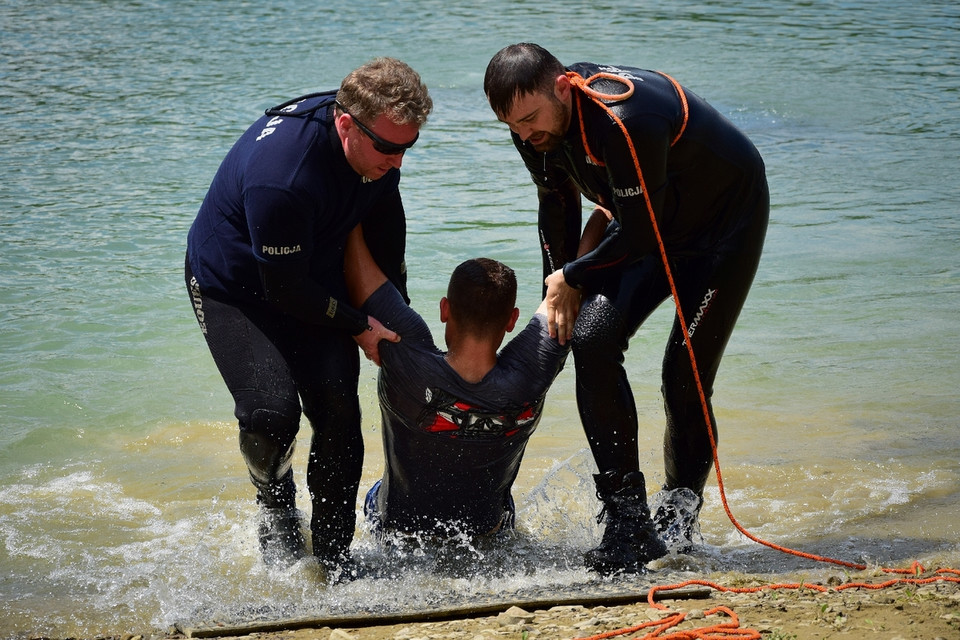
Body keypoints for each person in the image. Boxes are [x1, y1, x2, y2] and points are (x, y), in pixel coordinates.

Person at [484, 43, 769, 574]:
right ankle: (628, 523)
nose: (524, 134)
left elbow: (639, 233)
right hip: (649, 223)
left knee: (683, 374)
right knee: (591, 338)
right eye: (511, 126)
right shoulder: (533, 126)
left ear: (564, 87)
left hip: (723, 229)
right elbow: (556, 202)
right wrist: (560, 282)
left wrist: (574, 275)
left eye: (529, 119)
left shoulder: (623, 119)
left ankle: (679, 519)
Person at [184, 57, 433, 572]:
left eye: (408, 147)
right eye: (389, 148)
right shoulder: (284, 177)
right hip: (234, 286)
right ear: (346, 124)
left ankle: (334, 557)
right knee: (272, 415)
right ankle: (275, 513)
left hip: (309, 269)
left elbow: (385, 217)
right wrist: (360, 325)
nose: (399, 161)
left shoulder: (375, 145)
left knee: (340, 413)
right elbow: (285, 291)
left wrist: (393, 312)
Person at [342, 224, 569, 541]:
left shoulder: (404, 354)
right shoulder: (534, 370)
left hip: (398, 532)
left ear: (444, 309)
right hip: (488, 533)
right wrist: (603, 213)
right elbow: (565, 294)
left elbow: (355, 262)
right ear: (512, 320)